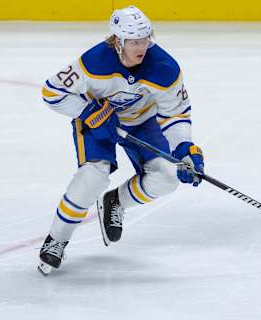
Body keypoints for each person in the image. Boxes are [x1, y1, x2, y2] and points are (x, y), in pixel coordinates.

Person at [38, 5, 204, 275]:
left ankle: (116, 201)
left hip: (141, 121)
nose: (142, 46)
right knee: (92, 177)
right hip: (97, 121)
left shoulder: (165, 67)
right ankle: (56, 240)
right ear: (118, 41)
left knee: (166, 177)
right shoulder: (93, 63)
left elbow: (176, 113)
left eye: (145, 39)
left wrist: (184, 147)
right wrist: (88, 111)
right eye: (134, 41)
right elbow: (52, 92)